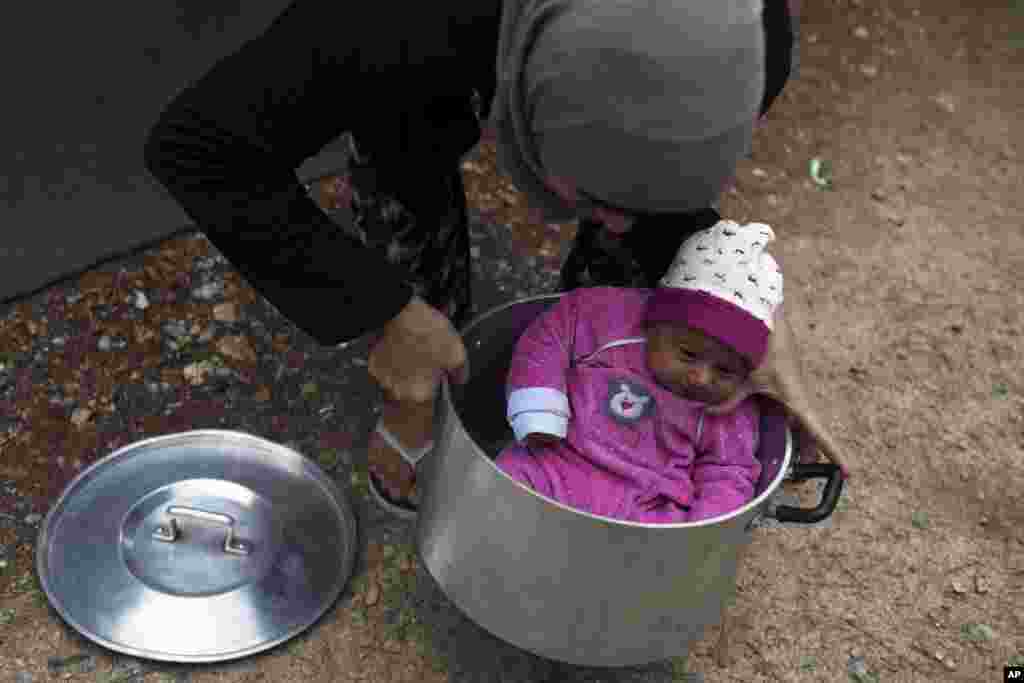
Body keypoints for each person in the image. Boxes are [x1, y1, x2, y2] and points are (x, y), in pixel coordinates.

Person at [144, 0, 842, 520]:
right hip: (425, 36)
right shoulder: (391, 24)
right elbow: (201, 147)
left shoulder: (754, 38)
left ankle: (600, 395)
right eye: (597, 194)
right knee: (405, 124)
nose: (625, 222)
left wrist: (733, 299)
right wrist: (380, 304)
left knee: (640, 231)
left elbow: (666, 176)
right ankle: (424, 356)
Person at [494, 220, 781, 522]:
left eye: (724, 371)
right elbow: (551, 336)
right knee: (503, 484)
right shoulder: (609, 323)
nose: (701, 377)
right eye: (688, 354)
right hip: (558, 460)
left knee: (665, 553)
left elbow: (728, 471)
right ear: (654, 324)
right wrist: (539, 412)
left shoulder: (729, 408)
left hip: (645, 505)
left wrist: (705, 528)